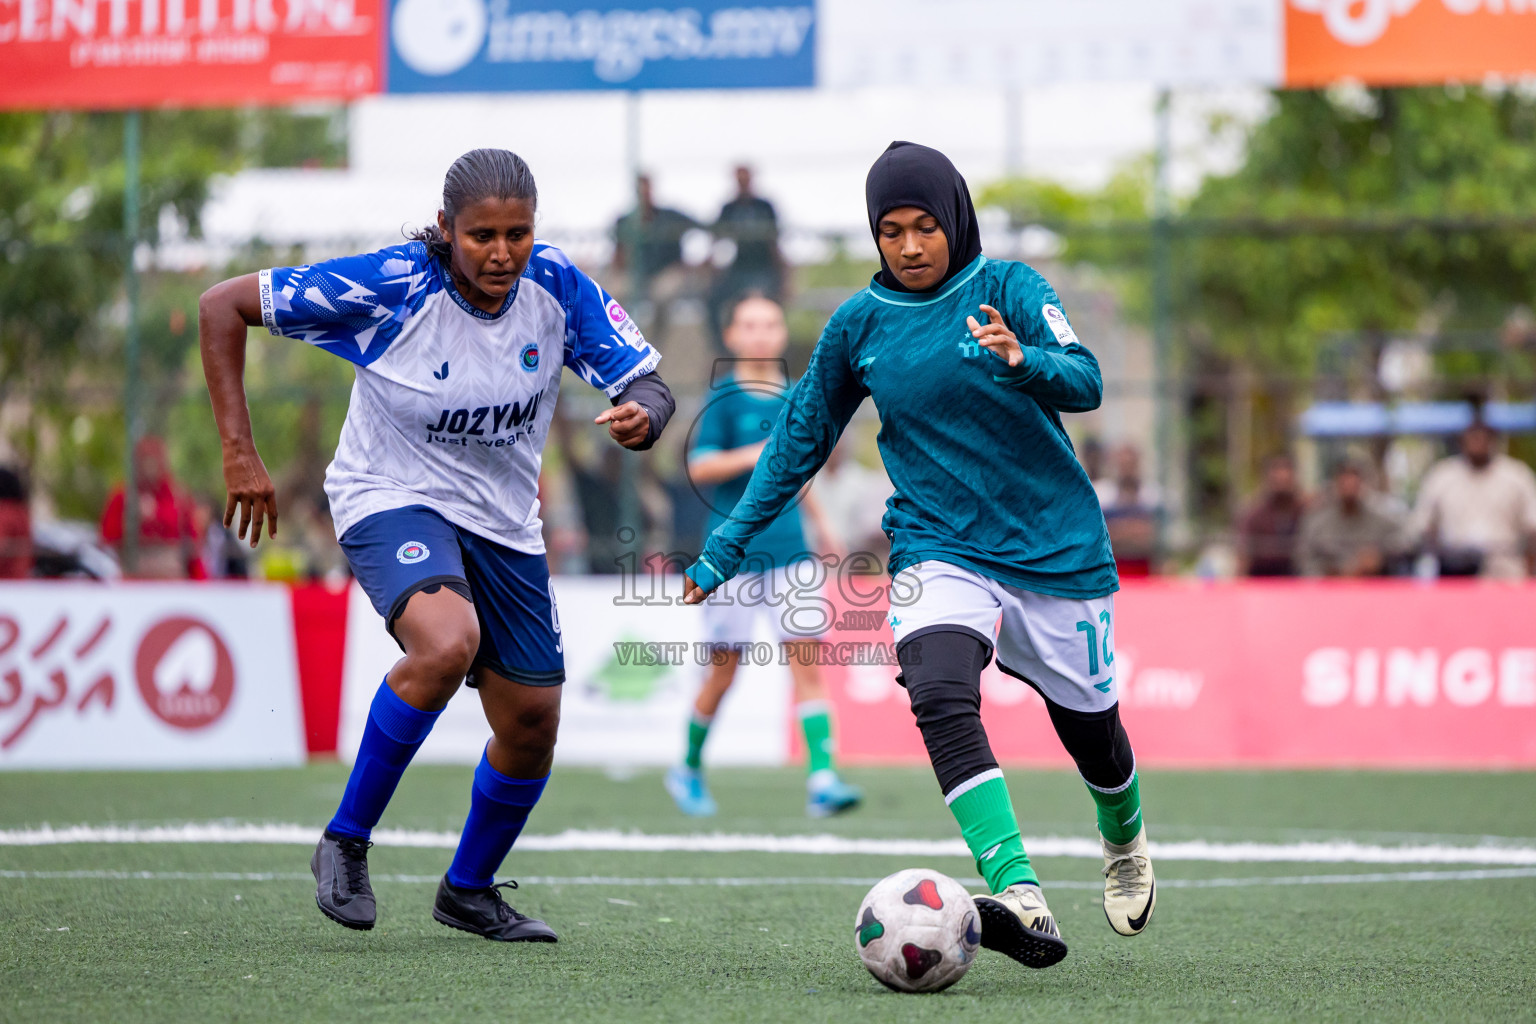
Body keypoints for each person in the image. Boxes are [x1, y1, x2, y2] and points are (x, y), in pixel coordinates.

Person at [681, 142, 1154, 971]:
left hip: (1055, 547)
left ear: (956, 220)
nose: (907, 246)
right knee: (937, 691)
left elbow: (1085, 381)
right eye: (891, 230)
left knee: (1096, 739)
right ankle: (1016, 889)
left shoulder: (1008, 288)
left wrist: (1022, 359)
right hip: (936, 542)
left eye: (925, 226)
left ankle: (1126, 844)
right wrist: (725, 547)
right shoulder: (858, 326)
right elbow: (795, 443)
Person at [198, 149, 675, 942]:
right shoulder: (387, 286)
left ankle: (469, 890)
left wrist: (643, 415)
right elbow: (220, 306)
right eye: (481, 235)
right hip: (390, 496)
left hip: (503, 522)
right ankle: (346, 841)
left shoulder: (555, 284)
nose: (501, 253)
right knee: (448, 641)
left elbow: (646, 380)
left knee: (531, 725)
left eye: (517, 234)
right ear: (447, 230)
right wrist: (239, 453)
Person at [665, 294, 861, 819]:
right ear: (731, 336)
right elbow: (700, 466)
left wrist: (822, 525)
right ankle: (686, 768)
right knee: (723, 673)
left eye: (769, 324)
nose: (759, 333)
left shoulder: (798, 396)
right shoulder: (724, 399)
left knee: (807, 664)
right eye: (748, 324)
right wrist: (760, 454)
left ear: (781, 334)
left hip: (791, 551)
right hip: (731, 556)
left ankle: (823, 779)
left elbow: (800, 471)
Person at [1410, 421, 1536, 579]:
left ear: (1493, 441)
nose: (1477, 444)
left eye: (1482, 439)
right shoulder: (1442, 476)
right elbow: (1424, 525)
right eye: (1472, 439)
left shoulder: (1516, 476)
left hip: (1505, 566)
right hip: (1454, 567)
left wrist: (1531, 571)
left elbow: (1532, 527)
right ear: (1462, 442)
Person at [99, 435, 199, 578]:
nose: (149, 467)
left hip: (171, 578)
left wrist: (157, 515)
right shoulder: (122, 497)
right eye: (144, 461)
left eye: (153, 461)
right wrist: (132, 519)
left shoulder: (179, 496)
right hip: (132, 577)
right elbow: (106, 540)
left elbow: (192, 543)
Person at [708, 165, 785, 346]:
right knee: (713, 300)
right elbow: (716, 239)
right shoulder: (729, 208)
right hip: (738, 268)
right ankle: (722, 348)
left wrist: (783, 275)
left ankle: (769, 347)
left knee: (760, 304)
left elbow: (774, 243)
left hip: (763, 268)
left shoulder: (764, 207)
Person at [1296, 461, 1406, 577]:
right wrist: (1326, 573)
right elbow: (1303, 558)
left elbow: (1406, 540)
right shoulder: (1317, 522)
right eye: (1344, 478)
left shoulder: (1379, 519)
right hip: (1329, 588)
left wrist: (1380, 555)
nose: (1349, 484)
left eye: (1354, 478)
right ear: (1336, 482)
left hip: (1370, 588)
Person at [1094, 444, 1162, 577]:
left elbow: (1152, 536)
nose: (1127, 470)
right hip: (1111, 569)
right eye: (1123, 465)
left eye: (1130, 464)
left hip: (1143, 568)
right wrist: (1132, 530)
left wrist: (1117, 530)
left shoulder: (1151, 495)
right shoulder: (1103, 495)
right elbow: (1101, 536)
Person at [1238, 453, 1305, 577]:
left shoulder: (1305, 510)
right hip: (1262, 580)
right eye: (1277, 473)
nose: (1281, 478)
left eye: (1285, 473)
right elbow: (1243, 554)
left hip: (1299, 581)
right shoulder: (1253, 514)